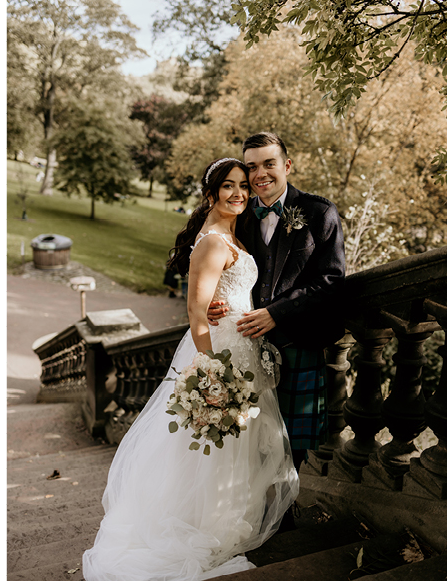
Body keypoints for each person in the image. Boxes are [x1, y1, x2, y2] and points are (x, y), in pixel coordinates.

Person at [83, 158, 298, 581]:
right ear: (212, 193)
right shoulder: (214, 242)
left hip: (242, 349)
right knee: (212, 450)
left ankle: (225, 522)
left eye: (243, 186)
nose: (239, 193)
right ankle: (203, 528)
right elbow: (197, 314)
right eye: (229, 186)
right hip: (220, 354)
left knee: (234, 449)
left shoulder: (233, 233)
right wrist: (213, 372)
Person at [210, 132, 346, 514]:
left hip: (298, 341)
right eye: (251, 166)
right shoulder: (238, 213)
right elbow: (213, 262)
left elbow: (332, 281)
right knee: (249, 434)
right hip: (246, 345)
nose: (260, 174)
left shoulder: (319, 212)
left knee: (292, 440)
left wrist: (277, 312)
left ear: (287, 165)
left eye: (269, 164)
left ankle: (282, 512)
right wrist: (209, 305)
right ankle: (250, 510)